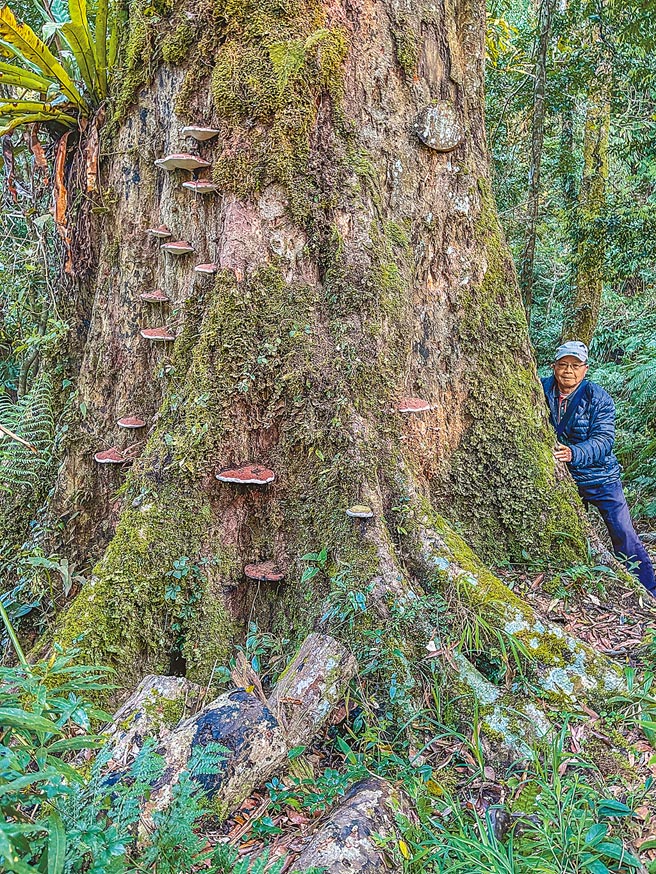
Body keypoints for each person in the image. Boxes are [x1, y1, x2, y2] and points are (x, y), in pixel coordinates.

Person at [542, 340, 656, 599]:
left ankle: (649, 590)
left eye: (575, 365)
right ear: (554, 367)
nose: (568, 371)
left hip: (600, 477)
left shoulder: (598, 398)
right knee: (566, 530)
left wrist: (574, 453)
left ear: (585, 369)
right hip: (564, 479)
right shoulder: (541, 389)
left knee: (623, 533)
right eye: (563, 365)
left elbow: (604, 441)